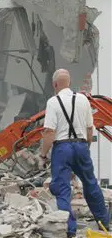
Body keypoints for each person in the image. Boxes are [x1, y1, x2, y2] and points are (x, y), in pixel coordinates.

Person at [40, 69, 109, 238]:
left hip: (62, 148)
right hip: (81, 145)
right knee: (90, 182)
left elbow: (49, 132)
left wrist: (43, 154)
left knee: (62, 188)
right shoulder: (83, 100)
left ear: (55, 84)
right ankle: (103, 221)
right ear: (69, 82)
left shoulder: (52, 102)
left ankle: (69, 229)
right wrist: (85, 147)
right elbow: (89, 128)